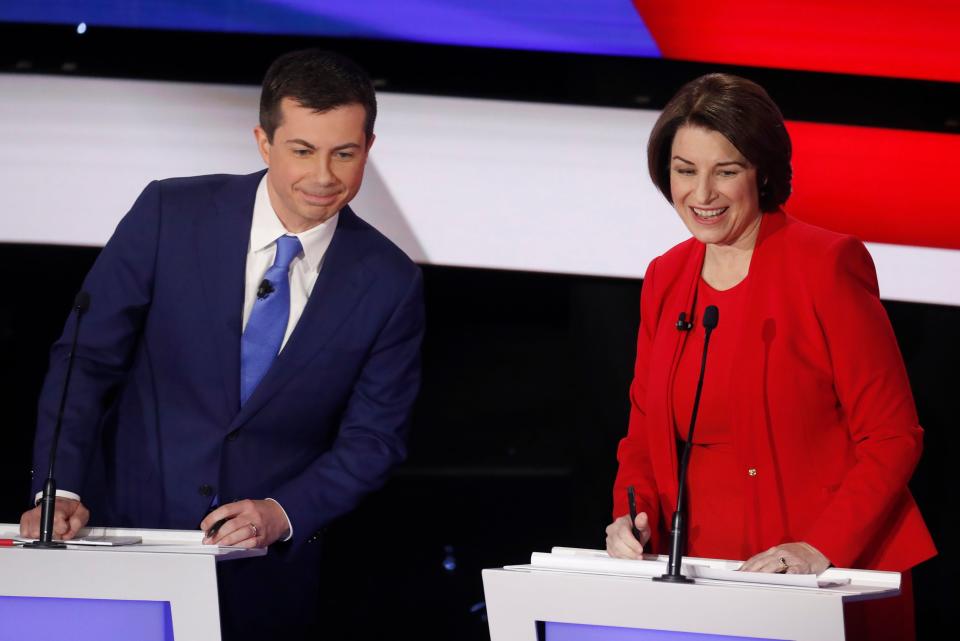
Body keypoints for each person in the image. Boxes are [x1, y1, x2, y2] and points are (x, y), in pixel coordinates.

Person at [20, 49, 424, 640]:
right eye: (303, 151)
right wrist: (62, 486)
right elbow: (87, 359)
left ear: (368, 148)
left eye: (345, 154)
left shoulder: (389, 280)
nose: (323, 177)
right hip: (128, 546)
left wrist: (283, 513)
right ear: (264, 142)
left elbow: (374, 438)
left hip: (265, 580)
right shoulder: (169, 213)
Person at [605, 74, 935, 640]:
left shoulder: (825, 265)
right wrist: (632, 515)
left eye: (725, 171)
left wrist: (820, 548)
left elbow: (892, 435)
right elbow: (643, 430)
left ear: (762, 171)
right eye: (685, 171)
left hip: (824, 576)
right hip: (699, 578)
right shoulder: (666, 277)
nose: (702, 194)